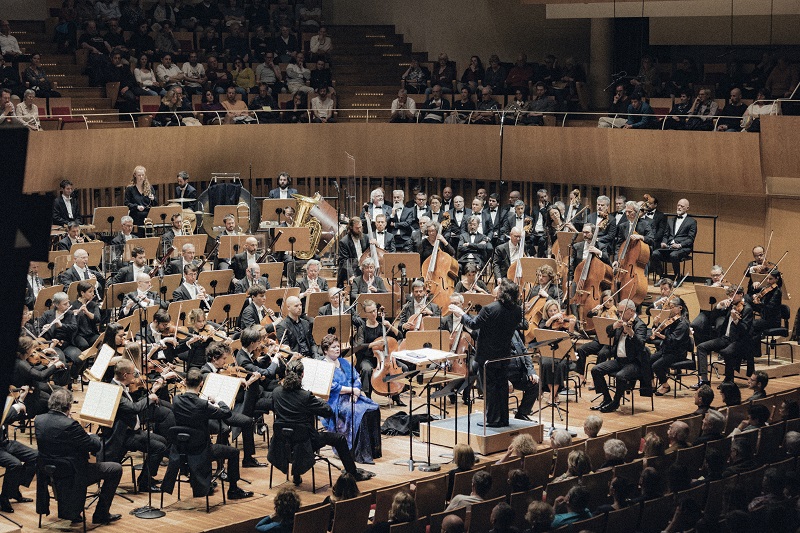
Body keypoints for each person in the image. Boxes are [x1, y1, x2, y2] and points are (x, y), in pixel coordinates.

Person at [267, 359, 372, 484]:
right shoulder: (305, 396)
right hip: (306, 440)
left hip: (282, 440)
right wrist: (318, 399)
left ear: (286, 372)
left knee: (296, 432)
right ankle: (352, 473)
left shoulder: (276, 392)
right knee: (339, 439)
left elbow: (275, 409)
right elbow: (327, 411)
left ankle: (296, 475)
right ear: (303, 375)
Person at [161, 368, 253, 499]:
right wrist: (218, 401)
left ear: (185, 381)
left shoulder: (176, 400)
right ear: (201, 384)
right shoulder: (203, 404)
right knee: (234, 453)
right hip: (201, 450)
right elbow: (226, 412)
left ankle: (205, 482)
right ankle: (233, 490)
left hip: (181, 449)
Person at [35, 388, 123, 524]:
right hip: (72, 472)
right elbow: (94, 446)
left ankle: (72, 511)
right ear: (69, 406)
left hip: (48, 471)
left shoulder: (39, 420)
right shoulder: (70, 425)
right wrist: (91, 435)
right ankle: (101, 514)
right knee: (115, 469)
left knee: (60, 466)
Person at [449, 281, 524, 427]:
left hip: (487, 355)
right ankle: (503, 418)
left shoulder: (490, 309)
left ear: (501, 293)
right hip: (504, 354)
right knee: (502, 387)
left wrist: (461, 314)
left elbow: (473, 324)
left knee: (490, 388)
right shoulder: (517, 310)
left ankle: (492, 419)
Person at [99, 359, 168, 493]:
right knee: (159, 448)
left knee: (162, 441)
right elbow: (134, 408)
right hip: (123, 436)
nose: (135, 375)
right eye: (133, 373)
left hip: (131, 431)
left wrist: (152, 391)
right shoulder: (114, 390)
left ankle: (146, 477)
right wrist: (150, 398)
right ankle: (144, 483)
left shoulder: (121, 386)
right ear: (125, 375)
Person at [320, 334, 381, 464]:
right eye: (333, 347)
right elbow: (332, 387)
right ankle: (355, 451)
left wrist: (356, 392)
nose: (337, 349)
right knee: (359, 412)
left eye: (338, 346)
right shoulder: (324, 366)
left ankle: (371, 449)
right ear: (325, 350)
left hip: (353, 396)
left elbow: (356, 377)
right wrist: (351, 390)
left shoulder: (343, 362)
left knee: (374, 408)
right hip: (336, 401)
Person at [590, 298, 649, 413]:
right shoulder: (621, 322)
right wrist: (614, 326)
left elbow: (641, 345)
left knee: (620, 376)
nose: (620, 315)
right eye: (619, 312)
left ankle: (615, 402)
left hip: (634, 362)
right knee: (596, 370)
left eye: (622, 312)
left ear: (631, 311)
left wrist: (631, 333)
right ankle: (607, 399)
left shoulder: (640, 325)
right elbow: (608, 331)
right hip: (619, 360)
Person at [692, 285, 752, 388]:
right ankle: (704, 380)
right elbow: (712, 317)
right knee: (701, 347)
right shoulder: (731, 305)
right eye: (729, 295)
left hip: (739, 341)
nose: (730, 298)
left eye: (733, 295)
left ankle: (728, 380)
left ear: (741, 294)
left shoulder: (747, 309)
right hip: (725, 338)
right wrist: (719, 305)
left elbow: (745, 329)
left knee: (726, 352)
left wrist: (736, 320)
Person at [353, 299, 405, 404]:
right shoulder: (362, 328)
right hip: (368, 358)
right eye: (370, 312)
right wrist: (373, 344)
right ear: (366, 314)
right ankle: (368, 397)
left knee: (404, 368)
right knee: (367, 369)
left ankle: (396, 396)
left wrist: (390, 327)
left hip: (385, 358)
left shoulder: (383, 326)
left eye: (375, 310)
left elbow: (400, 336)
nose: (374, 313)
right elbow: (359, 346)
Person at [0, 387, 36, 513]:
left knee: (36, 456)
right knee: (15, 464)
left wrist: (20, 400)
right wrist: (16, 407)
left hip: (4, 442)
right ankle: (4, 498)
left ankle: (13, 489)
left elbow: (7, 418)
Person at [651, 297, 692, 396]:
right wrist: (656, 324)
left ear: (680, 308)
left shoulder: (683, 323)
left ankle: (665, 386)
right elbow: (662, 331)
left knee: (656, 366)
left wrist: (663, 337)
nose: (670, 309)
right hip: (667, 349)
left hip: (677, 353)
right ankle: (651, 384)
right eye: (669, 307)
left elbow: (674, 340)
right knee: (647, 360)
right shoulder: (671, 320)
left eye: (672, 307)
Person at [651, 199, 697, 278]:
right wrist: (664, 242)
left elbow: (690, 239)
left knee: (673, 255)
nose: (679, 207)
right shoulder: (670, 220)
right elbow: (665, 235)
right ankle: (662, 277)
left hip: (682, 248)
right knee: (655, 254)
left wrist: (679, 245)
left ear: (687, 208)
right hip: (669, 247)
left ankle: (677, 278)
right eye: (678, 205)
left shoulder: (692, 222)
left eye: (682, 206)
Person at [124, 165, 156, 229]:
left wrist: (153, 199)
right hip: (136, 216)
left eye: (143, 175)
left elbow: (155, 203)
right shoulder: (130, 189)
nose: (141, 177)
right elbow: (127, 203)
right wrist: (137, 207)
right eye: (139, 175)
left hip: (148, 216)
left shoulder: (149, 188)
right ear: (135, 175)